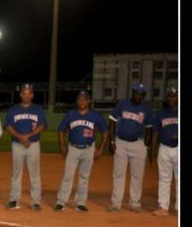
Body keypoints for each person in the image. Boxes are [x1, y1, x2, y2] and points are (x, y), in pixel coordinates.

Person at [54, 90, 109, 212]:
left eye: (84, 99)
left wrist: (100, 148)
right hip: (73, 148)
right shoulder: (71, 114)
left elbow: (105, 131)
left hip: (89, 149)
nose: (81, 101)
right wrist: (62, 146)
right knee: (67, 176)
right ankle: (61, 201)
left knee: (84, 176)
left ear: (89, 101)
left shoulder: (95, 115)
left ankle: (80, 203)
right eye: (79, 99)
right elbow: (61, 130)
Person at [107, 83, 154, 212]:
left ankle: (135, 203)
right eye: (136, 92)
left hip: (138, 144)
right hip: (121, 143)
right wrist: (111, 142)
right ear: (132, 92)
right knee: (118, 174)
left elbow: (150, 129)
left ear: (144, 95)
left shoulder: (146, 108)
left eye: (141, 93)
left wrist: (147, 146)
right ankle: (116, 203)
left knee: (137, 175)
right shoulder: (122, 104)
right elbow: (112, 122)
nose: (138, 95)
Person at [4, 83, 47, 211]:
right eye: (24, 93)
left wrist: (27, 136)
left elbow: (42, 125)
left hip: (33, 144)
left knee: (34, 174)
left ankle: (35, 202)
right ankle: (14, 200)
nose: (27, 95)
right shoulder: (13, 110)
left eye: (29, 93)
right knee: (16, 173)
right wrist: (20, 137)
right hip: (17, 144)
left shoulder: (38, 109)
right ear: (21, 94)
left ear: (32, 95)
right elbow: (8, 126)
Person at [151, 88, 178, 216]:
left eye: (175, 96)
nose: (172, 99)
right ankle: (163, 206)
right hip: (164, 148)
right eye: (170, 96)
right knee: (164, 178)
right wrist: (153, 149)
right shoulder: (162, 113)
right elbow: (155, 131)